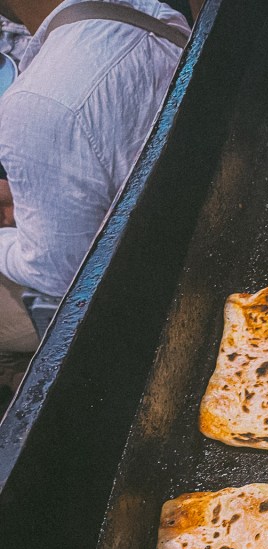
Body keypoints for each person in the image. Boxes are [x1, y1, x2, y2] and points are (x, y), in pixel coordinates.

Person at [0, 0, 191, 351]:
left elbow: (58, 275)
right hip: (181, 213)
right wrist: (24, 191)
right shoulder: (143, 8)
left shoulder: (31, 104)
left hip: (144, 294)